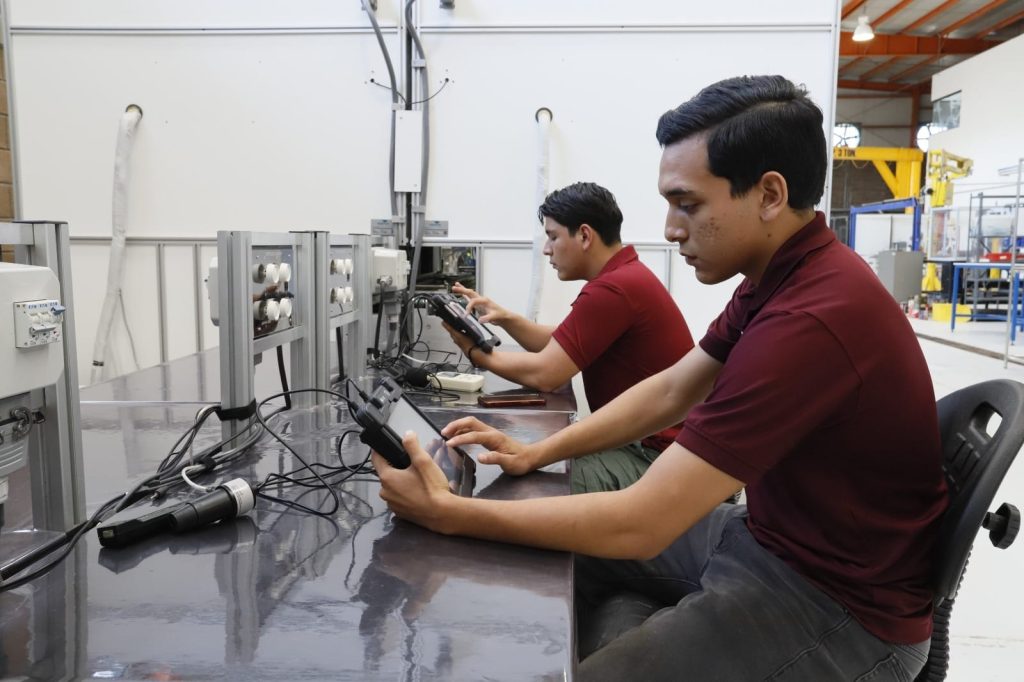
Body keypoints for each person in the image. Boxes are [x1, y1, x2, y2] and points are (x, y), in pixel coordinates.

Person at [372, 75, 948, 680]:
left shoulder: (810, 319)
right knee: (539, 548)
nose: (671, 229)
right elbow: (674, 388)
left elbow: (641, 523)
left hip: (833, 605)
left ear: (770, 194)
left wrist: (448, 512)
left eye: (687, 204)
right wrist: (535, 453)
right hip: (768, 538)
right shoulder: (777, 281)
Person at [444, 181, 694, 493]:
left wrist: (476, 353)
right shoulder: (625, 276)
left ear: (585, 235)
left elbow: (546, 374)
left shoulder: (613, 289)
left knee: (526, 486)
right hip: (654, 446)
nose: (546, 249)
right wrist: (506, 318)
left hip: (656, 456)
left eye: (553, 237)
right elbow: (563, 343)